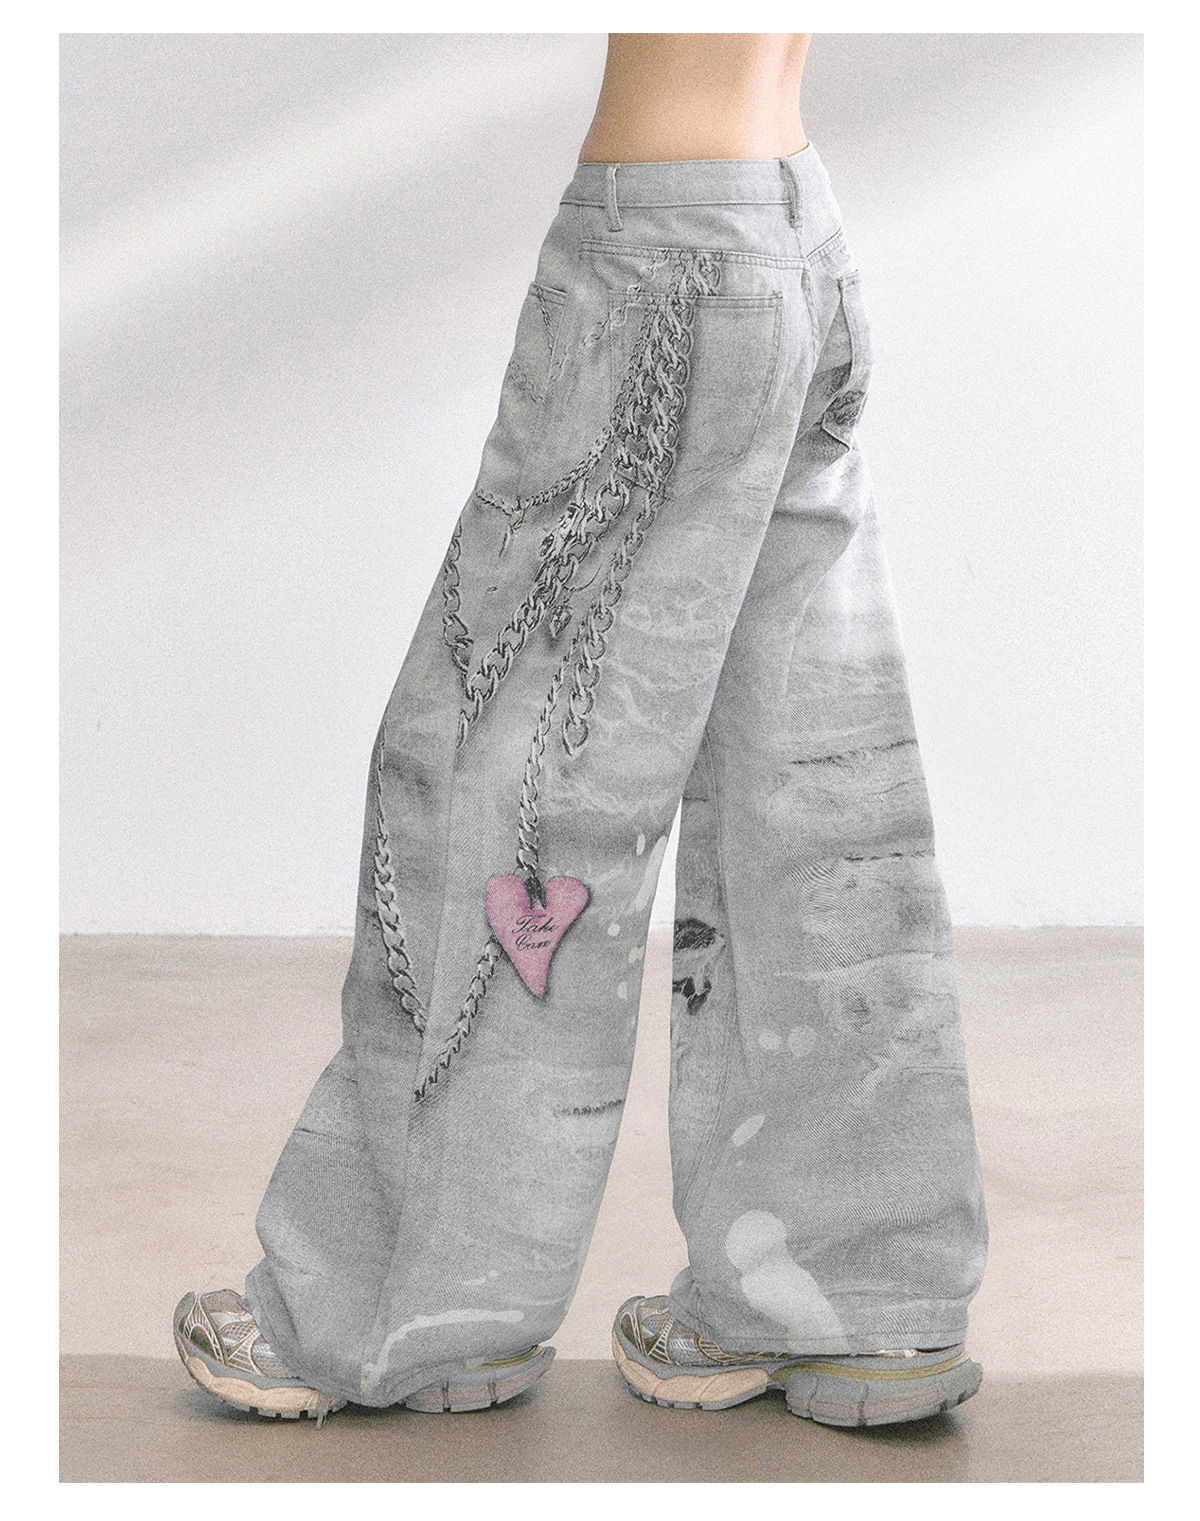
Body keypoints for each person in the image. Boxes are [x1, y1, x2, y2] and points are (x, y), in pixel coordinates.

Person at [173, 32, 988, 1429]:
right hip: (796, 238)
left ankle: (399, 1308)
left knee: (489, 777)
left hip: (659, 259)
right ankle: (852, 1294)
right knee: (808, 790)